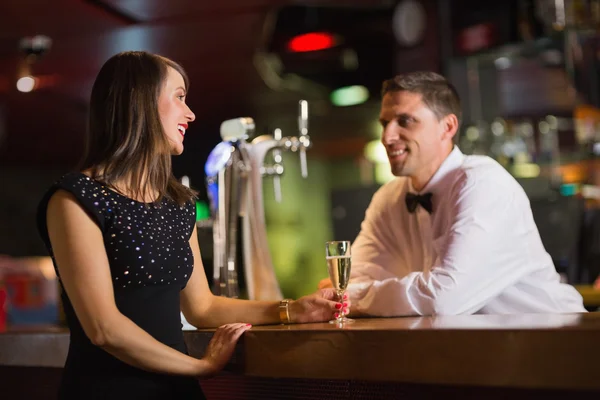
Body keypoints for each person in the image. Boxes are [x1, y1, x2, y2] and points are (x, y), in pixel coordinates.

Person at [37, 51, 349, 400]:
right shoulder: (76, 199)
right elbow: (103, 328)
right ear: (139, 99)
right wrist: (200, 367)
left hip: (177, 391)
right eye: (180, 97)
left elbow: (203, 308)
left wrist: (292, 310)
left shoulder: (178, 204)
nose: (191, 113)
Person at [319, 71, 585, 316]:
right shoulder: (388, 198)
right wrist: (356, 292)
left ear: (447, 127)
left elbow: (443, 299)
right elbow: (350, 281)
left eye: (405, 121)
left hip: (558, 341)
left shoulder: (483, 183)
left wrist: (355, 296)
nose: (387, 136)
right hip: (480, 351)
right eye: (385, 122)